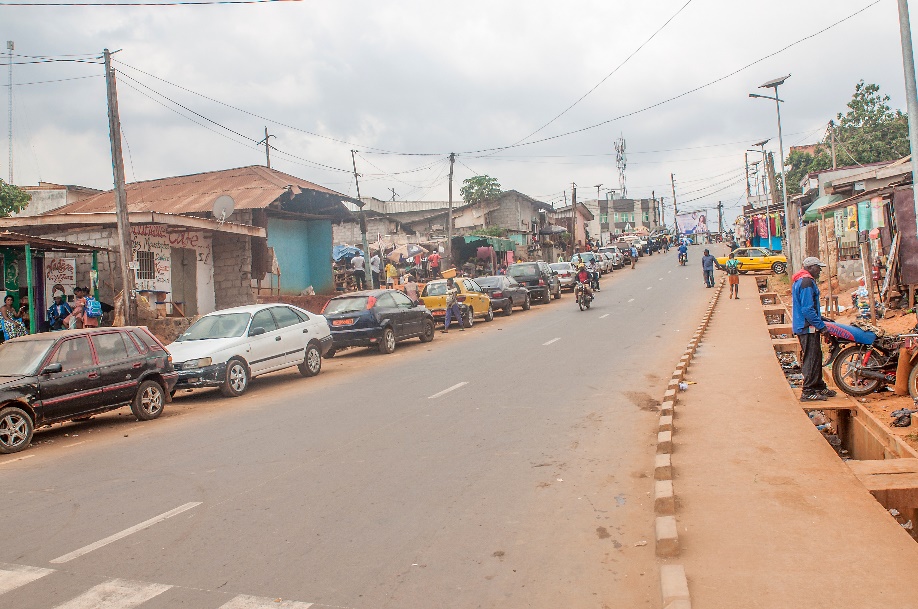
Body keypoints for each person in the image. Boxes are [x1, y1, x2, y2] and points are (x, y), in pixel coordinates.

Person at [792, 257, 837, 402]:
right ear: (811, 267)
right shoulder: (806, 282)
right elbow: (807, 309)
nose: (820, 271)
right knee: (811, 357)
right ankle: (808, 391)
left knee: (816, 355)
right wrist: (821, 327)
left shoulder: (803, 280)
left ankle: (818, 385)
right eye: (818, 268)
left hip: (807, 325)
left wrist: (822, 319)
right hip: (807, 327)